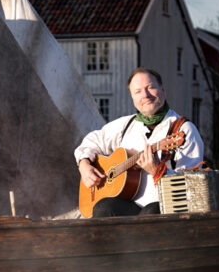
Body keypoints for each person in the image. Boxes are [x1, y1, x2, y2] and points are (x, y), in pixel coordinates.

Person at [74, 67, 203, 217]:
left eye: (150, 87)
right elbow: (92, 141)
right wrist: (84, 165)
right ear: (133, 98)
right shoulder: (126, 125)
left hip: (165, 209)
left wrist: (158, 171)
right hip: (130, 206)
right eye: (138, 91)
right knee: (103, 207)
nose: (145, 95)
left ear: (163, 90)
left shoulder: (183, 130)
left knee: (151, 212)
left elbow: (192, 185)